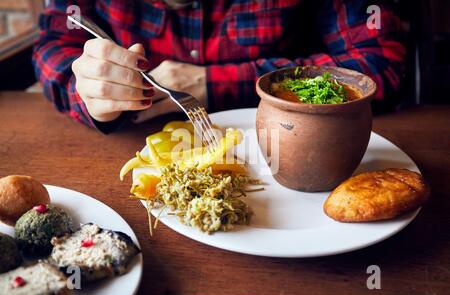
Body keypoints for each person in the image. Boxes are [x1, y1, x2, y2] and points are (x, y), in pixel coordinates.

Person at [33, 0, 406, 133]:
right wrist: (92, 90)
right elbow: (53, 45)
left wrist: (219, 84)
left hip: (292, 144)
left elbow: (380, 60)